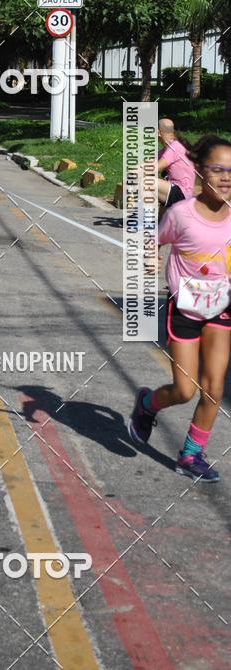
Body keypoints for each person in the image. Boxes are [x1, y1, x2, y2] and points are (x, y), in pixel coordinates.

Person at [128, 135, 231, 483]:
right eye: (218, 170)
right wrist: (148, 257)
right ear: (200, 172)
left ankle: (190, 454)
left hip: (220, 309)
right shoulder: (180, 214)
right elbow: (151, 241)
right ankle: (147, 406)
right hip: (184, 309)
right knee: (185, 391)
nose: (226, 177)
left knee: (213, 388)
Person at [157, 118, 195, 208]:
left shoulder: (175, 147)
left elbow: (156, 167)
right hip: (176, 190)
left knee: (147, 183)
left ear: (158, 132)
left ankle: (143, 219)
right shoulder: (165, 150)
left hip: (183, 193)